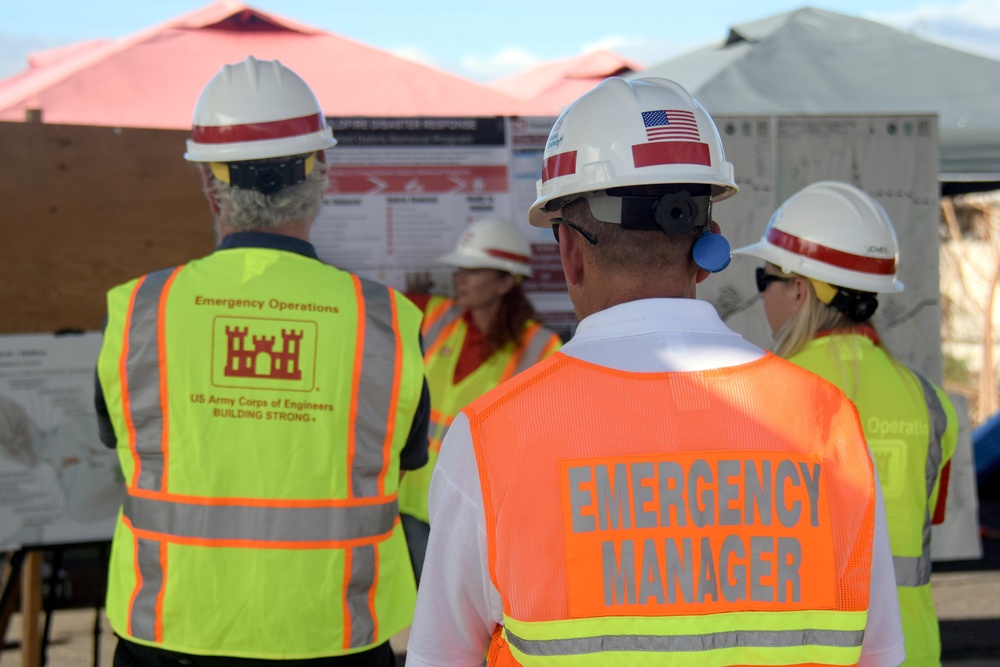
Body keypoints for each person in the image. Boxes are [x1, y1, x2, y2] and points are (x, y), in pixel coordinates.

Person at [405, 77, 905, 667]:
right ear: (708, 243)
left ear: (569, 250)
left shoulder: (489, 438)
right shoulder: (828, 425)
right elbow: (878, 654)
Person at [94, 56, 429, 666]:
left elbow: (121, 437)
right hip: (330, 635)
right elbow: (404, 458)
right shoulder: (385, 321)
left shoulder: (140, 311)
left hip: (169, 633)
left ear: (209, 183)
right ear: (320, 172)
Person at [733, 180, 958, 666]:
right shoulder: (930, 402)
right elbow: (920, 521)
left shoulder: (757, 398)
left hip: (810, 654)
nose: (761, 298)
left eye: (763, 279)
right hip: (912, 652)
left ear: (799, 289)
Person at [397, 216, 562, 582]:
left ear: (506, 281)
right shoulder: (436, 316)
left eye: (472, 270)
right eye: (459, 269)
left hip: (477, 513)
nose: (460, 279)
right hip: (412, 503)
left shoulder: (542, 349)